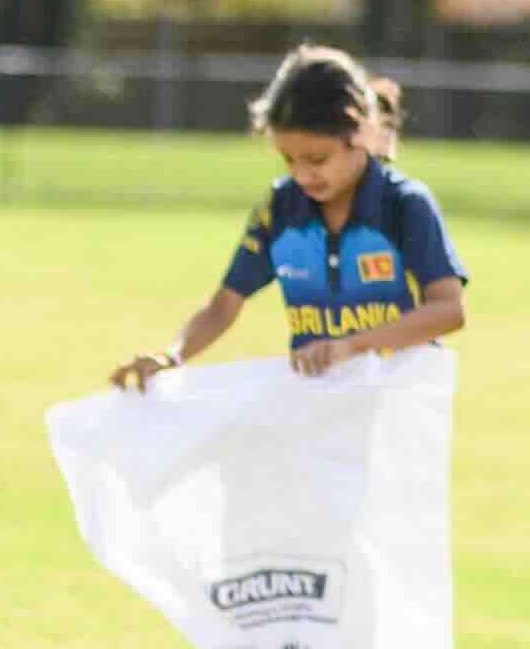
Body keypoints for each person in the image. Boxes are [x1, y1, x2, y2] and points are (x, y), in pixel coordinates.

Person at [116, 48, 466, 392]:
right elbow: (224, 305)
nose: (301, 175)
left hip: (399, 407)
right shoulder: (280, 208)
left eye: (316, 159)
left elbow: (448, 310)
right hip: (314, 405)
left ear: (359, 135)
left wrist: (352, 346)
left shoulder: (405, 205)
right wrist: (171, 356)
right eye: (289, 160)